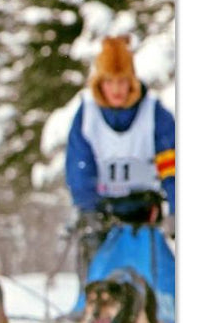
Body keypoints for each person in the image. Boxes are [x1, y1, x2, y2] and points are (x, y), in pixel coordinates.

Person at [65, 35, 175, 292]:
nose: (116, 89)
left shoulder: (155, 115)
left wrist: (177, 208)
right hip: (101, 211)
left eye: (122, 81)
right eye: (109, 82)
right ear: (99, 84)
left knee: (156, 281)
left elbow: (172, 167)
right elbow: (79, 169)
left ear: (132, 82)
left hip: (143, 210)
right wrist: (87, 207)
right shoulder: (87, 116)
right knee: (96, 278)